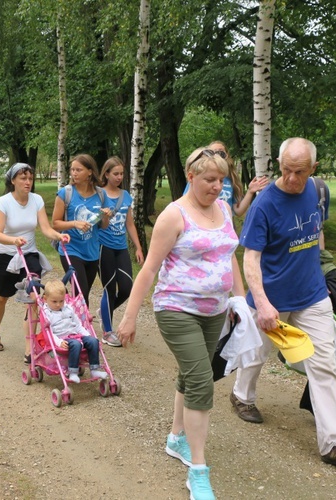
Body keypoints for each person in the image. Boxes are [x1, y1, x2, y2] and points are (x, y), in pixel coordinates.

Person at [229, 137, 336, 471]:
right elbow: (251, 258)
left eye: (301, 172)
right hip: (272, 299)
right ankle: (241, 396)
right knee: (257, 353)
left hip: (312, 294)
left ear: (314, 169)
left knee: (325, 364)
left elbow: (316, 230)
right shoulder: (264, 204)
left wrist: (324, 269)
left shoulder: (318, 190)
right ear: (279, 164)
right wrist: (262, 304)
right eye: (287, 170)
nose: (293, 179)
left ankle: (335, 444)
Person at [116, 147, 246, 500]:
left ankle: (176, 438)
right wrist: (129, 317)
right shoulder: (173, 216)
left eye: (221, 180)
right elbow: (149, 269)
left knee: (190, 375)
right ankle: (199, 471)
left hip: (214, 311)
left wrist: (240, 299)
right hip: (176, 308)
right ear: (191, 177)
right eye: (209, 180)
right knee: (202, 381)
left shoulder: (222, 209)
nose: (217, 187)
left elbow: (229, 255)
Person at [0, 162, 67, 360]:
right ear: (13, 180)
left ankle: (30, 346)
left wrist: (58, 236)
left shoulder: (37, 199)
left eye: (30, 178)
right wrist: (13, 240)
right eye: (23, 178)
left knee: (34, 297)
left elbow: (45, 228)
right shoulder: (4, 201)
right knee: (2, 296)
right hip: (5, 255)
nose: (28, 182)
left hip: (29, 254)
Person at [51, 153, 112, 308]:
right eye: (72, 170)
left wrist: (105, 216)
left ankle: (67, 316)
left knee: (83, 293)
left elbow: (103, 226)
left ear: (90, 172)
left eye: (78, 170)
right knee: (81, 291)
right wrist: (74, 223)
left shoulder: (100, 194)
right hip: (70, 249)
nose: (74, 173)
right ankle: (81, 327)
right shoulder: (65, 193)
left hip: (91, 251)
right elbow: (55, 224)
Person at [96, 157, 145, 347]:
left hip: (121, 247)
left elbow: (130, 223)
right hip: (103, 247)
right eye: (115, 174)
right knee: (109, 288)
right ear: (106, 174)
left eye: (121, 174)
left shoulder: (125, 195)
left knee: (126, 288)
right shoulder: (99, 195)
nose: (119, 177)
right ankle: (107, 332)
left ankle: (104, 312)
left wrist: (138, 247)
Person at [41, 280, 108, 383]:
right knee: (76, 345)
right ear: (45, 299)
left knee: (94, 341)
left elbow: (78, 325)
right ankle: (73, 372)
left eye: (61, 301)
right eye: (54, 301)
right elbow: (49, 333)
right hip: (62, 338)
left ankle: (94, 369)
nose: (59, 305)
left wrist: (88, 335)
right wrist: (59, 342)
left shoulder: (68, 309)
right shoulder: (46, 313)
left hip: (76, 335)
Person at [182, 141, 269, 216]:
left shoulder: (232, 179)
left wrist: (250, 191)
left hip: (226, 226)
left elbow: (238, 211)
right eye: (210, 179)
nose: (218, 186)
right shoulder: (198, 179)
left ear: (227, 155)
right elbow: (186, 204)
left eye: (221, 152)